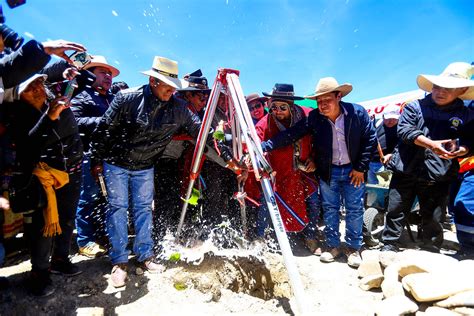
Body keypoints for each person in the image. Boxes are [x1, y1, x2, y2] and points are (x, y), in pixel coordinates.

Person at [90, 56, 241, 288]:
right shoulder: (126, 98)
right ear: (152, 80)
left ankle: (145, 255)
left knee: (143, 210)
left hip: (146, 165)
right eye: (166, 85)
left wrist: (229, 159)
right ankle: (119, 262)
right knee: (118, 209)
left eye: (173, 86)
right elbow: (103, 129)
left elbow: (203, 135)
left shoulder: (179, 108)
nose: (171, 91)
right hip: (116, 163)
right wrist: (96, 160)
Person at [261, 77, 376, 268]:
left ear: (339, 96)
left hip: (353, 170)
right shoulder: (315, 118)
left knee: (354, 208)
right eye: (319, 101)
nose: (322, 105)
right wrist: (265, 145)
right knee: (330, 208)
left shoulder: (357, 113)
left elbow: (370, 139)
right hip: (328, 170)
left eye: (327, 100)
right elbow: (291, 134)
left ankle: (353, 248)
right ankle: (332, 246)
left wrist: (360, 168)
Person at [381, 62, 474, 252]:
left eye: (449, 88)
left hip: (439, 174)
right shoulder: (414, 106)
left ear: (462, 90)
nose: (440, 91)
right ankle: (389, 244)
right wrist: (432, 144)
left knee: (434, 215)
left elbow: (471, 142)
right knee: (396, 209)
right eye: (437, 86)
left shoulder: (468, 115)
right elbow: (405, 130)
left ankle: (430, 248)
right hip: (406, 168)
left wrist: (463, 149)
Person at [6, 74, 83, 296]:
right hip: (43, 177)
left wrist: (71, 70)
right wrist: (49, 117)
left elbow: (67, 69)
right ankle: (39, 272)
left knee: (68, 218)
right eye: (30, 87)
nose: (38, 89)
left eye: (40, 82)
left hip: (74, 171)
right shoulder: (18, 117)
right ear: (18, 94)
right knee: (43, 224)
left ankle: (60, 259)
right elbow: (28, 145)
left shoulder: (59, 98)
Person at [253, 84, 321, 252]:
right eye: (274, 107)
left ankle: (311, 236)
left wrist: (314, 158)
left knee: (313, 201)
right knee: (266, 202)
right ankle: (261, 237)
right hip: (279, 171)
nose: (277, 111)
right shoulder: (266, 121)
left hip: (304, 170)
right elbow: (255, 139)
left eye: (283, 107)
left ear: (291, 105)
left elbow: (321, 141)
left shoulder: (307, 115)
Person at [71, 55, 120, 258]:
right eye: (103, 72)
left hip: (109, 157)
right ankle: (85, 241)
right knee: (87, 199)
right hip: (89, 155)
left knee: (104, 200)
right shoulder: (82, 96)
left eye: (110, 73)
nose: (108, 77)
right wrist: (104, 121)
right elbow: (74, 121)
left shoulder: (111, 98)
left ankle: (101, 237)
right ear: (91, 74)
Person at [368, 104, 400, 184]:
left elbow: (402, 147)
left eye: (394, 119)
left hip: (386, 164)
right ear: (383, 116)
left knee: (384, 188)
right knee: (373, 189)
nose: (391, 121)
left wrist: (391, 155)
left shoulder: (401, 129)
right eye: (388, 118)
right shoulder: (376, 123)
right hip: (371, 162)